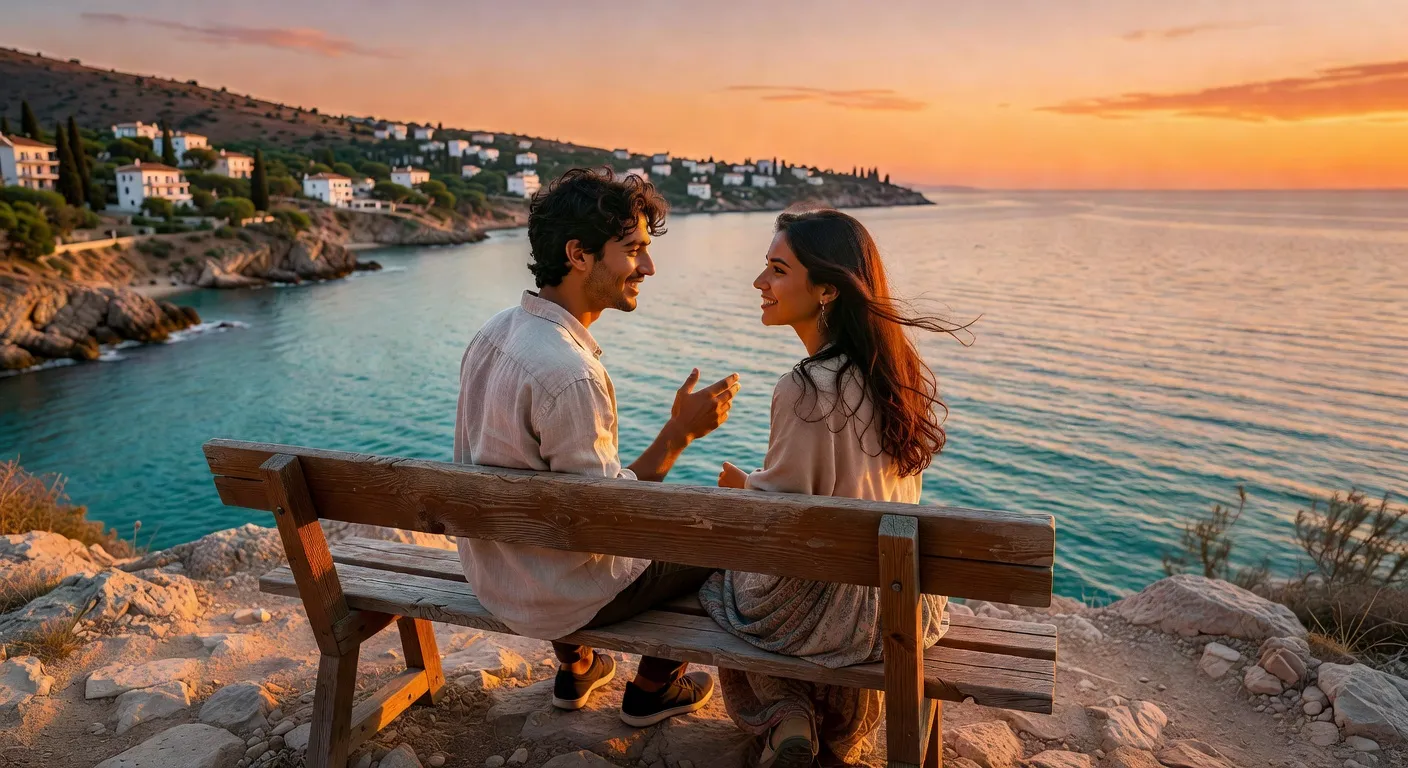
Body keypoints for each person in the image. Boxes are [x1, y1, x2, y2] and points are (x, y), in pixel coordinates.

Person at [454, 168, 740, 727]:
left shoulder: (493, 333)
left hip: (494, 575)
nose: (649, 267)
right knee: (728, 527)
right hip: (554, 595)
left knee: (563, 503)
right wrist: (679, 434)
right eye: (633, 250)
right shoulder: (571, 374)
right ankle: (654, 687)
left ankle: (578, 665)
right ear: (578, 254)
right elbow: (606, 525)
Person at [700, 209, 968, 767]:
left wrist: (742, 486)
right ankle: (831, 725)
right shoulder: (897, 373)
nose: (759, 282)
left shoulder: (803, 387)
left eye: (777, 270)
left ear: (826, 290)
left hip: (830, 611)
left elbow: (779, 522)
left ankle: (785, 712)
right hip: (899, 607)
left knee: (720, 584)